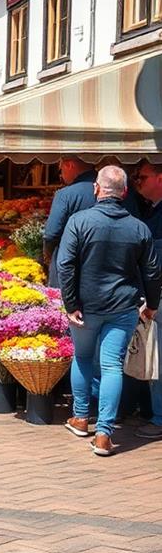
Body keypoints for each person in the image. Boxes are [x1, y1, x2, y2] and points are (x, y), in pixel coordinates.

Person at [57, 166, 160, 456]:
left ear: (96, 189)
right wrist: (151, 304)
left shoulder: (79, 221)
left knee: (83, 356)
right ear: (125, 192)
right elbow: (152, 271)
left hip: (86, 307)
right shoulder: (139, 227)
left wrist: (71, 303)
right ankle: (103, 433)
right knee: (113, 365)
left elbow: (65, 265)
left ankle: (79, 417)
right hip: (123, 306)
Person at [132, 162, 162, 440]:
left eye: (142, 177)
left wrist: (151, 300)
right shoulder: (151, 210)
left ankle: (159, 417)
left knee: (158, 356)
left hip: (159, 295)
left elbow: (155, 264)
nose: (137, 182)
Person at [43, 158, 97, 287]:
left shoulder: (65, 194)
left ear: (69, 165)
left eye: (61, 169)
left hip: (72, 267)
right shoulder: (122, 191)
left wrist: (48, 256)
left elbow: (51, 234)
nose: (61, 175)